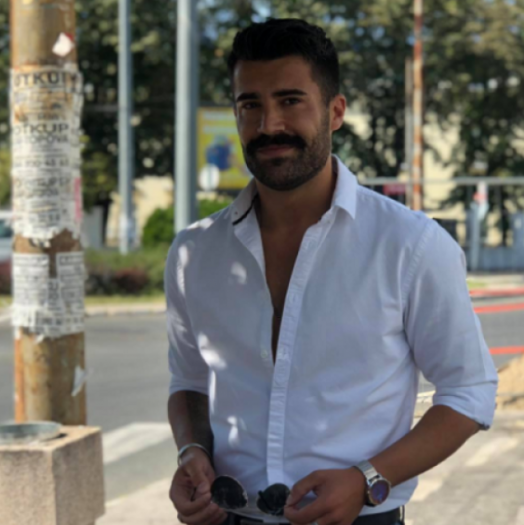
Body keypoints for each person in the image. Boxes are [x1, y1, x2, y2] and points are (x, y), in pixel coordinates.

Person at [166, 18, 498, 525]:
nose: (269, 124)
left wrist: (368, 480)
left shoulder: (409, 244)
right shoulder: (195, 252)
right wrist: (191, 451)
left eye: (290, 100)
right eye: (250, 105)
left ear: (335, 111)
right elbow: (190, 380)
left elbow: (469, 391)